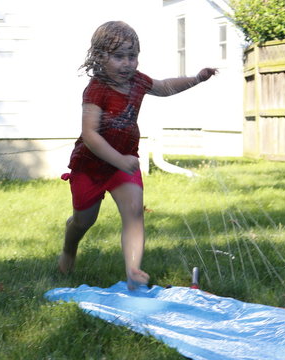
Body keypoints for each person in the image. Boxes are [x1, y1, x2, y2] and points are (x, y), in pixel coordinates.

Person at [59, 20, 217, 290]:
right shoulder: (96, 90)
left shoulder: (137, 81)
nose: (128, 63)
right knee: (84, 220)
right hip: (91, 167)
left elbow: (164, 86)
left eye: (132, 56)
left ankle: (133, 269)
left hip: (124, 164)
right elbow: (90, 135)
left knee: (134, 212)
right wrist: (119, 160)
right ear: (99, 57)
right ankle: (69, 249)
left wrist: (195, 79)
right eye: (119, 56)